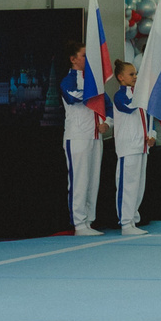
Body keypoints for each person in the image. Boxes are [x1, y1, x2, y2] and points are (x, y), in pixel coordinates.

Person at [57, 38, 104, 234]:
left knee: (93, 181)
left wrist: (106, 122)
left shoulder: (93, 80)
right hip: (77, 136)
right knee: (79, 180)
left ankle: (89, 221)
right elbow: (74, 97)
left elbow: (106, 103)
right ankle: (78, 222)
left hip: (95, 136)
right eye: (84, 55)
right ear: (73, 59)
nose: (88, 59)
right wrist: (94, 94)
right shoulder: (68, 80)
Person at [107, 59, 150, 236]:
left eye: (135, 74)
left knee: (139, 186)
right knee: (127, 185)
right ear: (120, 77)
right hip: (128, 146)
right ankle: (125, 223)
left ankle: (133, 218)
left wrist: (151, 135)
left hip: (141, 145)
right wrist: (145, 96)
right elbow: (129, 108)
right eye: (131, 74)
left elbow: (145, 117)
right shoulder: (120, 96)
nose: (135, 77)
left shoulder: (137, 94)